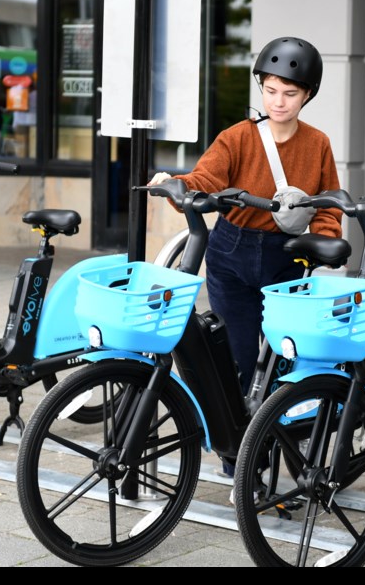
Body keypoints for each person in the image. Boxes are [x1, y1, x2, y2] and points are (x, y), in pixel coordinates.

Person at [148, 37, 343, 474]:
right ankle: (239, 456)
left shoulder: (319, 144)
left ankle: (285, 452)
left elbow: (328, 201)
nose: (279, 101)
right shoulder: (237, 137)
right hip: (232, 252)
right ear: (261, 88)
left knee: (284, 363)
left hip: (288, 257)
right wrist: (176, 183)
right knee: (237, 359)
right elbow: (206, 178)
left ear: (307, 94)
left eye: (290, 93)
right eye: (270, 90)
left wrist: (326, 242)